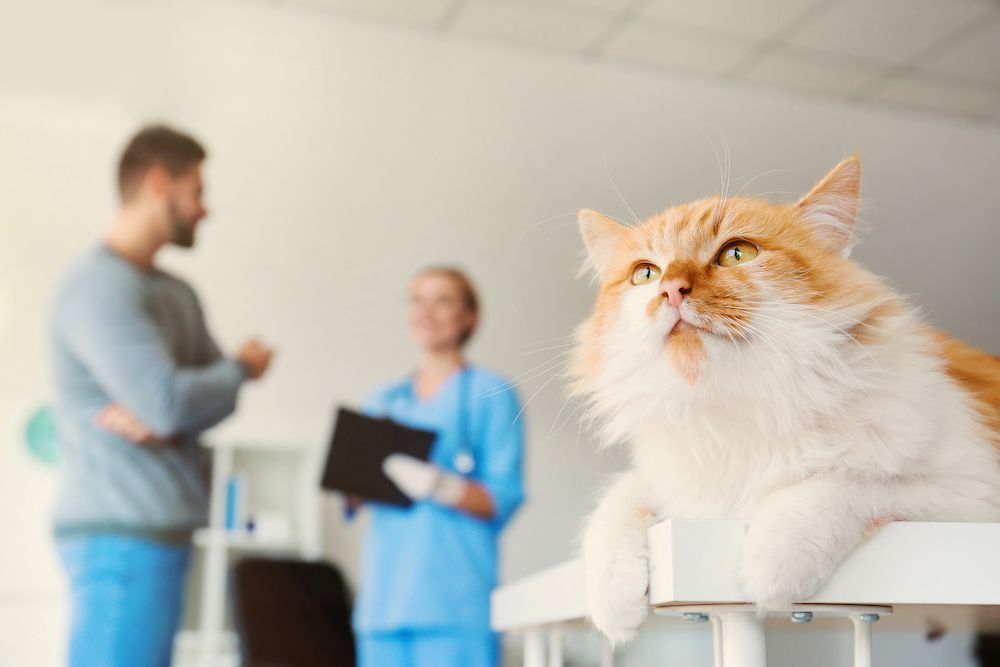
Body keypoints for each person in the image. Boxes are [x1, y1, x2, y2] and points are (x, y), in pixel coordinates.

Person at [49, 125, 274, 667]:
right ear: (157, 183)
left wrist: (183, 402)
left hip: (164, 534)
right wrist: (238, 367)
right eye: (196, 191)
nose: (205, 208)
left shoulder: (178, 294)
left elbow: (200, 403)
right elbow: (173, 403)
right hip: (120, 536)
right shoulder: (98, 288)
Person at [352, 267, 525, 667]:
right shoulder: (382, 401)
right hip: (383, 605)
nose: (426, 311)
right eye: (417, 300)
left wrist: (440, 486)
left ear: (470, 317)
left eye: (443, 300)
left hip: (455, 606)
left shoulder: (491, 394)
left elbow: (502, 498)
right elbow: (355, 496)